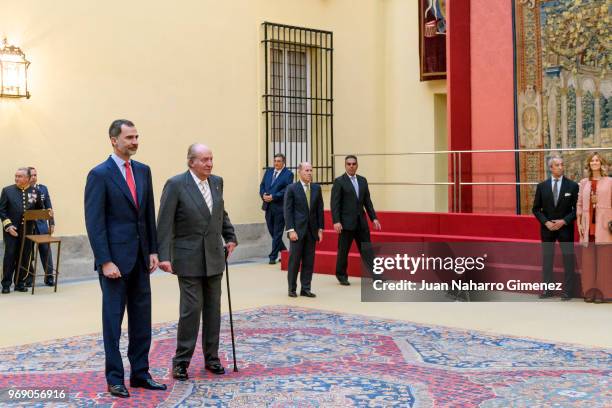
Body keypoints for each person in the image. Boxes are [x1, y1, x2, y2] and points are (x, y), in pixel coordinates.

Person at [84, 119, 166, 398]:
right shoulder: (99, 174)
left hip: (141, 260)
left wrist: (154, 251)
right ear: (113, 140)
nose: (135, 142)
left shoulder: (144, 171)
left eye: (136, 137)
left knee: (142, 321)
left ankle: (141, 374)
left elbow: (147, 216)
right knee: (113, 323)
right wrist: (105, 260)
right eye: (129, 137)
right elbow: (95, 223)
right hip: (114, 264)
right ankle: (115, 378)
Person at [157, 143, 237, 381]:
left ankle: (212, 358)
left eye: (211, 159)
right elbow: (164, 222)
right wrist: (163, 256)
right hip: (188, 257)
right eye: (204, 160)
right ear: (191, 162)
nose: (210, 164)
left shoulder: (217, 182)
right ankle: (181, 362)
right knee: (191, 311)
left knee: (214, 310)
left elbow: (220, 212)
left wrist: (230, 236)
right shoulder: (176, 184)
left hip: (213, 256)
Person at [532, 155, 579, 301]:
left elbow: (577, 209)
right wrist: (546, 222)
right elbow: (536, 209)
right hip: (547, 229)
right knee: (547, 260)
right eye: (557, 165)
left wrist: (564, 221)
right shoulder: (542, 186)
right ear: (550, 168)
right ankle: (548, 290)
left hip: (565, 229)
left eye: (562, 164)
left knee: (568, 260)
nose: (560, 167)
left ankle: (568, 291)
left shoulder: (572, 186)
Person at [330, 155, 381, 285]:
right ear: (345, 165)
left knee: (367, 250)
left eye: (353, 164)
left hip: (361, 223)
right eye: (349, 164)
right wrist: (336, 221)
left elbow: (367, 201)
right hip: (345, 224)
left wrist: (373, 218)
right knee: (343, 250)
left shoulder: (363, 180)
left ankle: (376, 275)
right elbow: (334, 204)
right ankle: (341, 275)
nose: (351, 166)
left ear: (357, 165)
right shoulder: (339, 181)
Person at [284, 162, 324, 298]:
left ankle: (306, 288)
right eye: (306, 170)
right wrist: (290, 230)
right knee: (294, 260)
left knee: (309, 261)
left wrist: (320, 229)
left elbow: (320, 210)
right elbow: (287, 211)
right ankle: (292, 288)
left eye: (311, 170)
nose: (309, 173)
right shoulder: (291, 188)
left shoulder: (316, 188)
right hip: (297, 231)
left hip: (312, 231)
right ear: (300, 172)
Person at [0, 168, 43, 293]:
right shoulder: (7, 191)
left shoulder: (35, 191)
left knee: (25, 256)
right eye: (16, 176)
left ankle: (20, 283)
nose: (17, 178)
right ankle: (6, 284)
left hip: (28, 230)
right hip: (11, 230)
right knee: (10, 256)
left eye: (20, 176)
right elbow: (2, 210)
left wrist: (46, 213)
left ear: (28, 178)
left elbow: (39, 209)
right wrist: (8, 226)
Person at [576, 152, 612, 303]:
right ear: (589, 164)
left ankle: (604, 293)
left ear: (602, 163)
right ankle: (589, 292)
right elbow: (579, 204)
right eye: (592, 161)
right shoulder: (584, 182)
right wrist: (579, 223)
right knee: (589, 262)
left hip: (604, 226)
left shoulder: (610, 182)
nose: (595, 162)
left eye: (597, 160)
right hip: (587, 226)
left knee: (604, 262)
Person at [259, 153, 294, 264]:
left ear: (283, 162)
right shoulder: (269, 171)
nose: (276, 163)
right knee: (272, 230)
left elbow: (286, 190)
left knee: (278, 232)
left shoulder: (288, 174)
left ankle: (272, 256)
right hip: (268, 206)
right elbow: (262, 185)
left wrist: (273, 197)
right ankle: (284, 251)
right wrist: (263, 195)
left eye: (278, 161)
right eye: (275, 161)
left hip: (280, 207)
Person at [28, 166, 55, 286]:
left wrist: (52, 222)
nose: (33, 177)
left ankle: (49, 277)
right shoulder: (23, 191)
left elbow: (49, 207)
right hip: (28, 226)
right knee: (28, 254)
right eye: (31, 175)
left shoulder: (43, 189)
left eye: (35, 175)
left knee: (46, 251)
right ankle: (28, 278)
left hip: (42, 225)